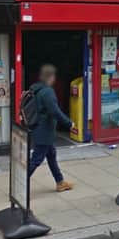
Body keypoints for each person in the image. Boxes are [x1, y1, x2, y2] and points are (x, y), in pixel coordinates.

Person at [28, 64, 75, 192]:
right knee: (36, 159)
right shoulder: (47, 92)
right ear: (51, 77)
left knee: (51, 155)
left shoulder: (36, 88)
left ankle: (60, 182)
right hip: (44, 132)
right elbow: (55, 111)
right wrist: (69, 123)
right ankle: (21, 181)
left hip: (39, 128)